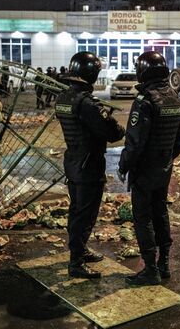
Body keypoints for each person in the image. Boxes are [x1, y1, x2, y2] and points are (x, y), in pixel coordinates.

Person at [118, 51, 180, 286]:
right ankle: (164, 264)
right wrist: (166, 158)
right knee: (161, 212)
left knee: (143, 217)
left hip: (144, 170)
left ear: (142, 71)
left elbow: (134, 142)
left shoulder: (144, 101)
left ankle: (150, 269)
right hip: (164, 169)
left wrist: (123, 165)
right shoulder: (175, 99)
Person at [55, 52, 125, 279]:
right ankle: (75, 263)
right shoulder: (87, 103)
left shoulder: (63, 99)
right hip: (89, 165)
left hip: (73, 161)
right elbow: (112, 133)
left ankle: (80, 250)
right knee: (84, 215)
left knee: (77, 210)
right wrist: (111, 120)